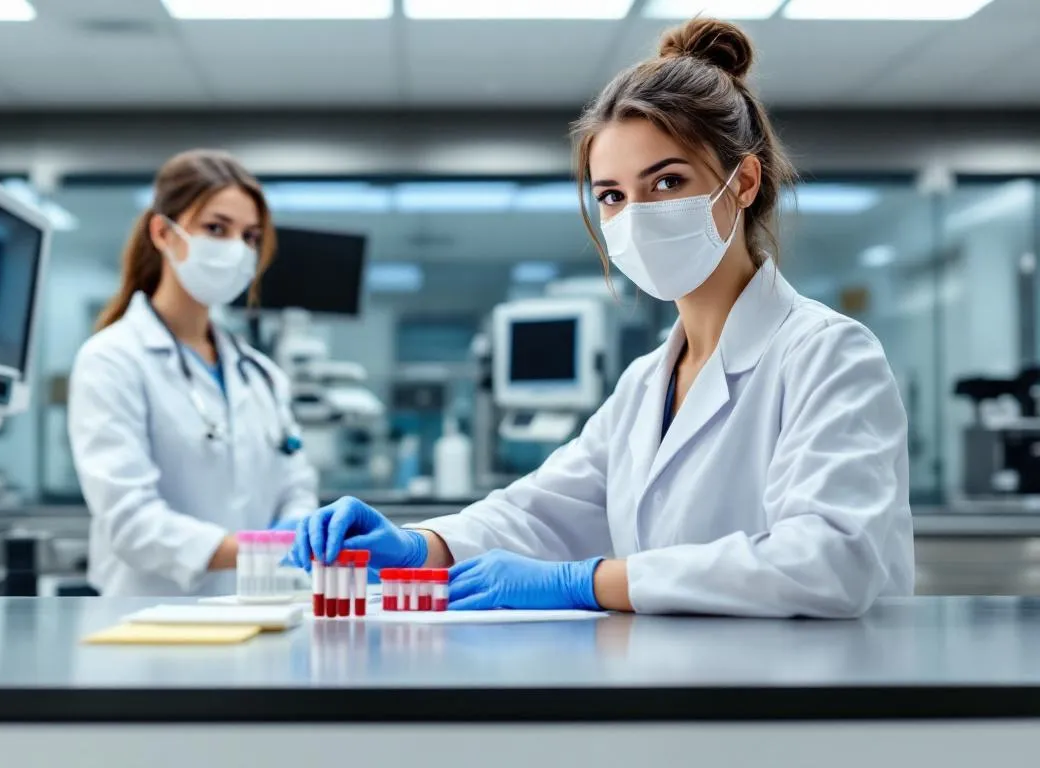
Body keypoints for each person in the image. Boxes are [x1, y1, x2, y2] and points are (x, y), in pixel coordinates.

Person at [291, 18, 914, 619]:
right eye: (612, 195)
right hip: (684, 677)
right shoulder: (645, 384)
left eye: (667, 183)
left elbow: (830, 560)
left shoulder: (828, 354)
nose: (635, 216)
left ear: (744, 181)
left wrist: (584, 582)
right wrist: (419, 546)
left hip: (815, 684)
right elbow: (540, 513)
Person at [69, 149, 318, 597]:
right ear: (163, 232)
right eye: (216, 229)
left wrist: (297, 528)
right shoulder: (112, 359)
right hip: (149, 619)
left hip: (258, 608)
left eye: (250, 236)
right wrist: (262, 548)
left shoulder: (260, 374)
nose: (236, 250)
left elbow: (296, 486)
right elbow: (132, 521)